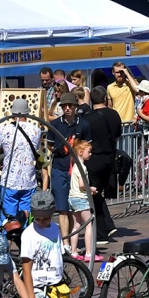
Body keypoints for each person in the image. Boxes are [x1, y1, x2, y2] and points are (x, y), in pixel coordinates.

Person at [48, 93, 90, 244]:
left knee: (74, 208)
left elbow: (87, 146)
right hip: (59, 168)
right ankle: (65, 243)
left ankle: (73, 244)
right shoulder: (55, 124)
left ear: (75, 107)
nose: (67, 108)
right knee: (62, 207)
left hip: (76, 170)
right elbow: (50, 144)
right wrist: (59, 151)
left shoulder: (83, 124)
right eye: (64, 106)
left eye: (70, 106)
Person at [85, 86, 122, 248]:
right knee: (97, 194)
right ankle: (108, 225)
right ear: (105, 98)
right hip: (110, 157)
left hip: (94, 158)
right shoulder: (114, 114)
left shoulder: (88, 118)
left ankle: (102, 233)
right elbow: (117, 135)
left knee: (93, 194)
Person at [0, 98, 42, 225]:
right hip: (29, 180)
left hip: (9, 180)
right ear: (27, 112)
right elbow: (36, 150)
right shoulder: (36, 130)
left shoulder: (4, 130)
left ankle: (7, 237)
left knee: (8, 219)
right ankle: (24, 236)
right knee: (25, 218)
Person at [67, 141, 96, 261]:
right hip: (80, 198)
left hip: (73, 198)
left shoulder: (75, 166)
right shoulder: (81, 167)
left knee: (76, 225)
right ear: (80, 152)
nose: (90, 154)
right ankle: (89, 253)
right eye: (88, 152)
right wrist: (91, 189)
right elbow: (81, 184)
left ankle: (73, 252)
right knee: (89, 225)